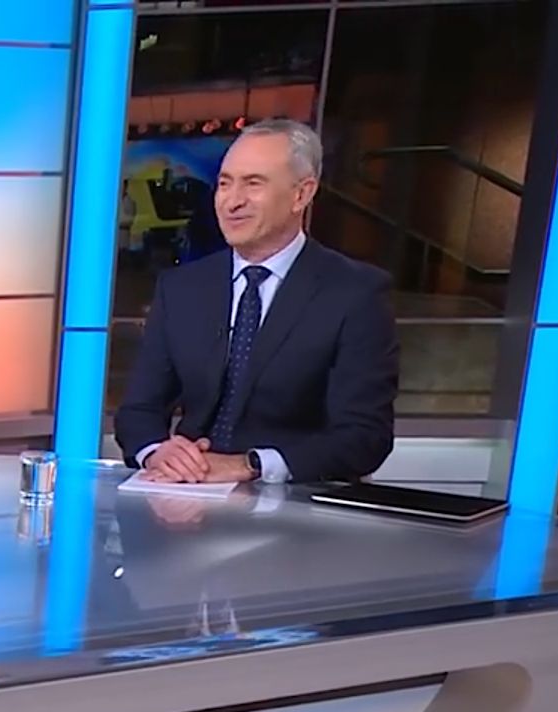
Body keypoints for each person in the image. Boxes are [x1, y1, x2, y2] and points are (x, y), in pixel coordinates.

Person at [114, 118, 399, 485]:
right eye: (224, 183)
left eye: (253, 184)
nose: (232, 202)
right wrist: (158, 452)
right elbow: (138, 412)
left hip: (293, 503)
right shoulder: (181, 287)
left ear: (301, 194)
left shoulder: (355, 293)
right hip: (187, 491)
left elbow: (365, 437)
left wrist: (249, 465)